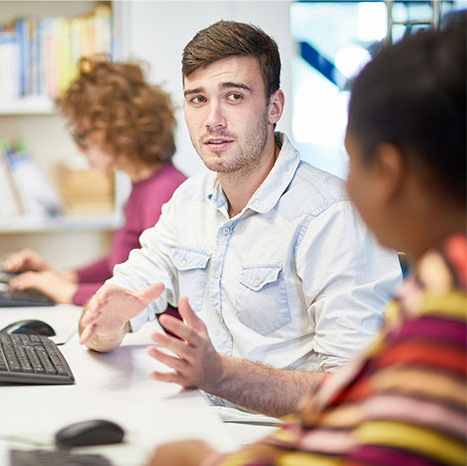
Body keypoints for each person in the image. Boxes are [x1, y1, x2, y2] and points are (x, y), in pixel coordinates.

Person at [147, 16, 467, 466]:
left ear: (390, 175)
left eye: (353, 160)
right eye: (198, 99)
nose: (346, 184)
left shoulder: (448, 309)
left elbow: (367, 439)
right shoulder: (434, 285)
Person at [79, 20, 403, 418]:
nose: (212, 119)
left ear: (274, 107)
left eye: (233, 96)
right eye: (197, 99)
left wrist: (220, 375)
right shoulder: (189, 201)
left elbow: (356, 391)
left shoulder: (332, 215)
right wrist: (105, 325)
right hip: (203, 420)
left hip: (288, 438)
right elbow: (122, 297)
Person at [3, 57, 186, 305]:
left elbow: (147, 292)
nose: (79, 150)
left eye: (82, 136)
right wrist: (63, 277)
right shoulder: (145, 186)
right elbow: (121, 265)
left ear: (118, 128)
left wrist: (66, 291)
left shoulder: (164, 194)